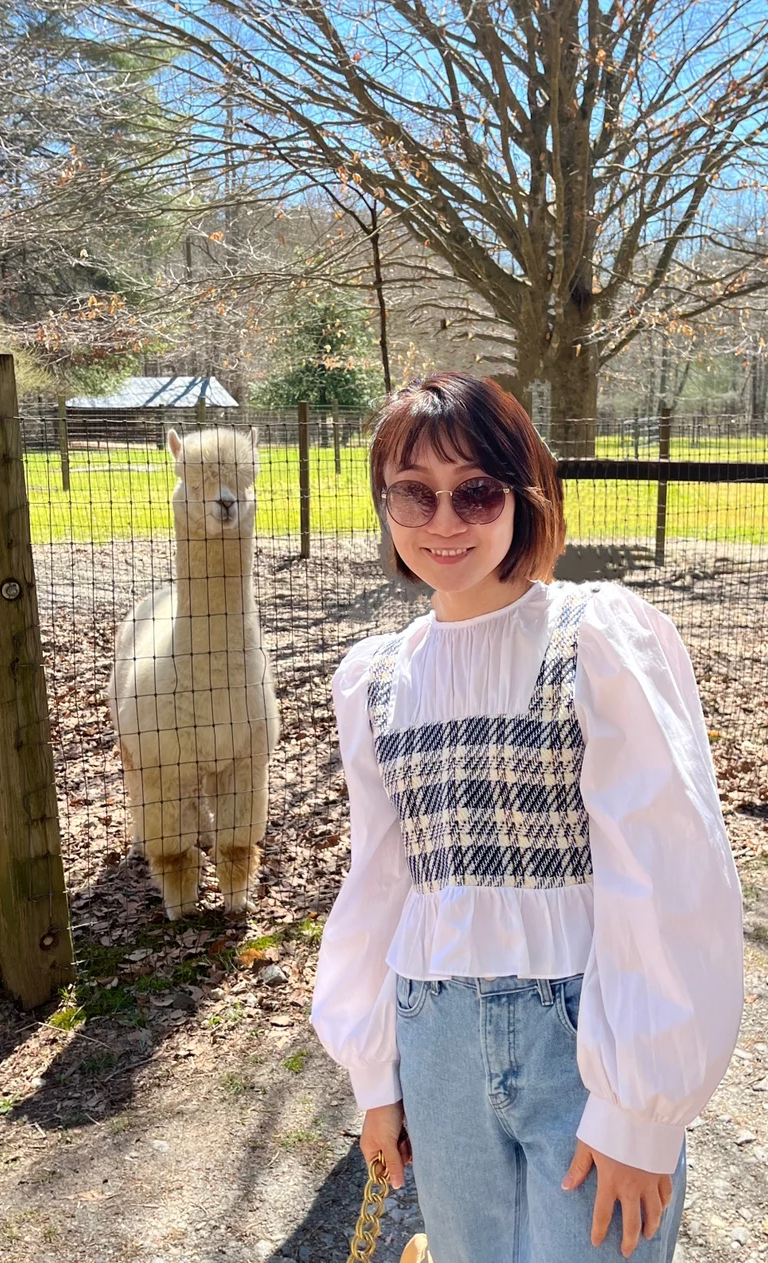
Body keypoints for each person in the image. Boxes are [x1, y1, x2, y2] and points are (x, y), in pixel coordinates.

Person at [310, 374, 743, 1262]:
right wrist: (376, 1077)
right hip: (435, 1046)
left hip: (582, 1042)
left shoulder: (594, 639)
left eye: (475, 490)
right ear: (384, 505)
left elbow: (661, 868)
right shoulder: (375, 680)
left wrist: (639, 1113)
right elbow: (381, 882)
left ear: (524, 494)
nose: (444, 520)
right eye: (412, 493)